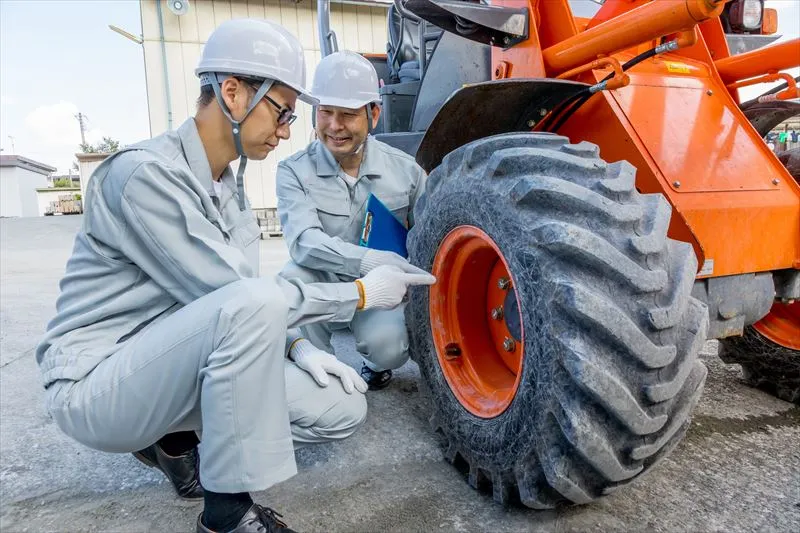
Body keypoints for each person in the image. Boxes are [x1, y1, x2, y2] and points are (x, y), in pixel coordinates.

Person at [37, 19, 434, 533]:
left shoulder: (228, 187)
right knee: (254, 300)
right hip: (98, 381)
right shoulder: (145, 176)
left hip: (171, 360)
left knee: (339, 406)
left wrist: (298, 348)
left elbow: (228, 303)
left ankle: (172, 437)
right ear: (233, 92)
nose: (289, 130)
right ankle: (227, 514)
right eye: (284, 111)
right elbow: (236, 295)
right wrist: (359, 291)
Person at [276, 51, 427, 390]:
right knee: (290, 281)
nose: (334, 126)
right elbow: (303, 242)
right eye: (325, 112)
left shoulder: (406, 171)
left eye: (347, 114)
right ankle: (314, 368)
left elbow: (431, 234)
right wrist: (367, 261)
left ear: (374, 114)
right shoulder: (293, 172)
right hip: (323, 280)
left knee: (389, 347)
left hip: (381, 289)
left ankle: (374, 363)